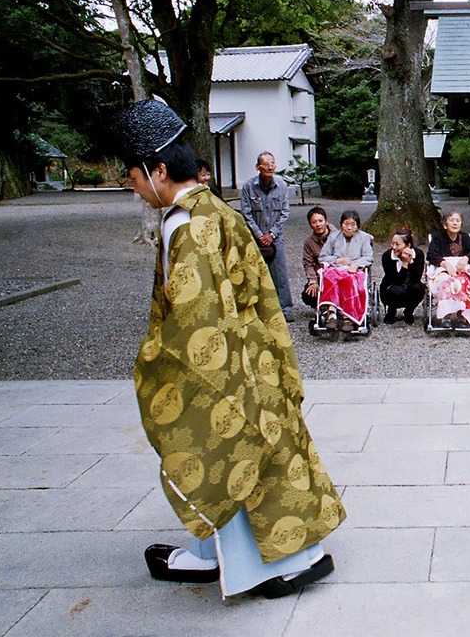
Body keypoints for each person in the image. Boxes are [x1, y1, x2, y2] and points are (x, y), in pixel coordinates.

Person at [113, 100, 342, 600]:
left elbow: (195, 317)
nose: (131, 186)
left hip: (223, 361)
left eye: (132, 176)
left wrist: (158, 361)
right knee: (273, 450)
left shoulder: (184, 224)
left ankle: (257, 562)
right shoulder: (218, 208)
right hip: (254, 351)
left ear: (157, 170)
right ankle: (257, 554)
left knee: (225, 452)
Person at [240, 151, 293, 320]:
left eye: (272, 163)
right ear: (258, 167)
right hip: (255, 237)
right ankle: (256, 309)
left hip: (275, 237)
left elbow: (285, 213)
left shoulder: (282, 185)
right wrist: (259, 234)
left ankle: (285, 308)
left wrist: (271, 234)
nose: (270, 166)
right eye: (266, 163)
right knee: (254, 273)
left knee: (280, 273)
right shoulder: (248, 186)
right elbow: (246, 213)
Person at [318, 209, 374, 333]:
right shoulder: (333, 237)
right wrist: (337, 260)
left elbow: (368, 257)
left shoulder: (364, 237)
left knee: (349, 279)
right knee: (330, 277)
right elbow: (323, 256)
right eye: (346, 224)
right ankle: (331, 312)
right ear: (341, 224)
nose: (349, 228)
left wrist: (356, 264)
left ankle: (348, 317)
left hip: (354, 269)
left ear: (357, 226)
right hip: (336, 268)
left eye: (353, 225)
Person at [426, 210, 470, 328]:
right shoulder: (438, 238)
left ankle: (463, 317)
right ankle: (445, 316)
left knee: (464, 282)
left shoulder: (466, 238)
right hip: (443, 271)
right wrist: (445, 264)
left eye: (458, 220)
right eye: (451, 220)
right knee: (446, 282)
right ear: (445, 224)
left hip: (461, 270)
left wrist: (466, 258)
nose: (455, 223)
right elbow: (431, 255)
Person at [381, 228, 425, 324]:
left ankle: (409, 311)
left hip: (410, 285)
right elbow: (396, 280)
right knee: (397, 290)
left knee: (419, 288)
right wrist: (404, 264)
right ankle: (391, 311)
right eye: (392, 243)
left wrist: (411, 262)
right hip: (392, 287)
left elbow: (416, 278)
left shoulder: (418, 254)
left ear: (408, 245)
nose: (394, 247)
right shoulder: (387, 256)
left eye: (397, 244)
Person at [301, 206, 335, 310]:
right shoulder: (309, 242)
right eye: (314, 222)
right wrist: (313, 281)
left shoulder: (339, 237)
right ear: (310, 225)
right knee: (308, 295)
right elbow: (308, 263)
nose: (318, 224)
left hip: (337, 276)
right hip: (320, 277)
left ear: (326, 221)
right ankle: (323, 308)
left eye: (320, 221)